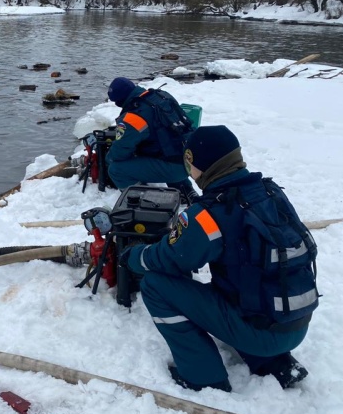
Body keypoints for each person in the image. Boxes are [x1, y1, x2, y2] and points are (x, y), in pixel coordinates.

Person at [122, 125, 317, 392]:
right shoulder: (271, 191)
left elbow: (171, 259)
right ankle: (275, 365)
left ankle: (204, 377)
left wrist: (132, 257)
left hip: (262, 332)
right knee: (245, 275)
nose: (189, 171)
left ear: (201, 164)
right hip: (295, 322)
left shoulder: (211, 213)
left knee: (155, 285)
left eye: (190, 163)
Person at [105, 77, 198, 203]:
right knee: (168, 147)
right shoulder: (161, 96)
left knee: (116, 170)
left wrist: (108, 159)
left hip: (174, 167)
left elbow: (121, 150)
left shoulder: (134, 116)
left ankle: (143, 201)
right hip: (190, 159)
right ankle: (185, 190)